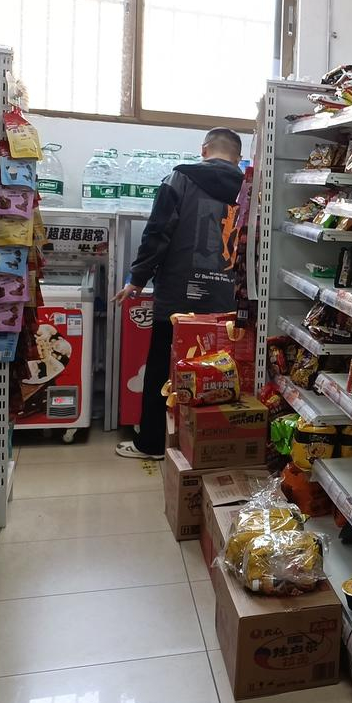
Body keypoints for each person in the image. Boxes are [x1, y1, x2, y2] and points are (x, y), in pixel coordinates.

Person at [113, 129, 245, 459]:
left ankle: (152, 443)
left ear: (204, 150)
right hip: (225, 298)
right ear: (237, 157)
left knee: (164, 365)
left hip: (178, 293)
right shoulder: (249, 188)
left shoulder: (180, 178)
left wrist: (137, 278)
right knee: (217, 370)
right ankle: (207, 443)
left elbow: (158, 231)